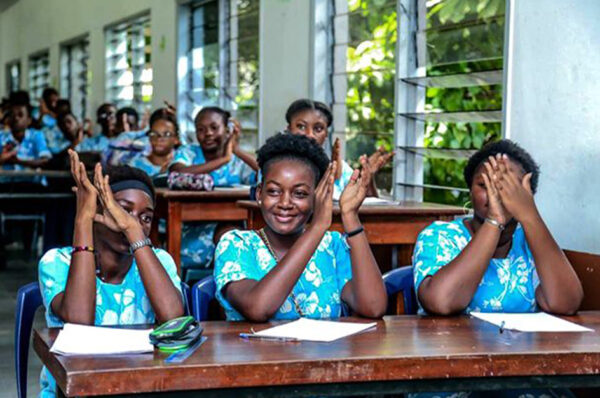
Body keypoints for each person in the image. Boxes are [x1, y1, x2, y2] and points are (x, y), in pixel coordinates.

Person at [411, 140, 583, 398]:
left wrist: (530, 216)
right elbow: (442, 301)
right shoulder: (440, 235)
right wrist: (495, 222)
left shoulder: (532, 241)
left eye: (505, 187)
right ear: (470, 190)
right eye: (484, 186)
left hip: (523, 376)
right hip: (451, 376)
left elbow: (566, 303)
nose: (494, 195)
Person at [38, 151, 184, 397]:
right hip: (73, 391)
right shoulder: (57, 261)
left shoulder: (158, 261)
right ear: (97, 211)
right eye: (121, 210)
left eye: (145, 218)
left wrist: (133, 231)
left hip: (143, 387)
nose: (131, 221)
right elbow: (79, 322)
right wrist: (83, 219)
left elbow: (172, 320)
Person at [214, 133, 387, 321]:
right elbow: (257, 307)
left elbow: (374, 307)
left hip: (324, 350)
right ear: (259, 194)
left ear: (317, 197)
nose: (285, 203)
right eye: (273, 191)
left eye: (299, 193)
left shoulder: (331, 245)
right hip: (257, 351)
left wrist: (351, 216)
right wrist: (317, 226)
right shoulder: (237, 244)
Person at [169, 106, 258, 270]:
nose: (208, 133)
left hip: (231, 229)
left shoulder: (237, 160)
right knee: (230, 237)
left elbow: (266, 175)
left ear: (227, 130)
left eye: (214, 128)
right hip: (191, 236)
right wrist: (223, 160)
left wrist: (236, 149)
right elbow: (177, 172)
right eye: (201, 129)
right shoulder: (188, 152)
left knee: (233, 236)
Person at [285, 99, 393, 199]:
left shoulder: (341, 170)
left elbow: (370, 210)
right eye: (301, 127)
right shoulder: (276, 167)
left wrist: (368, 177)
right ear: (289, 130)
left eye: (318, 129)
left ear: (326, 134)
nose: (310, 135)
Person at [128, 108, 179, 178]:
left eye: (167, 134)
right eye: (154, 133)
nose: (159, 139)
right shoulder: (135, 166)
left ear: (176, 139)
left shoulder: (183, 165)